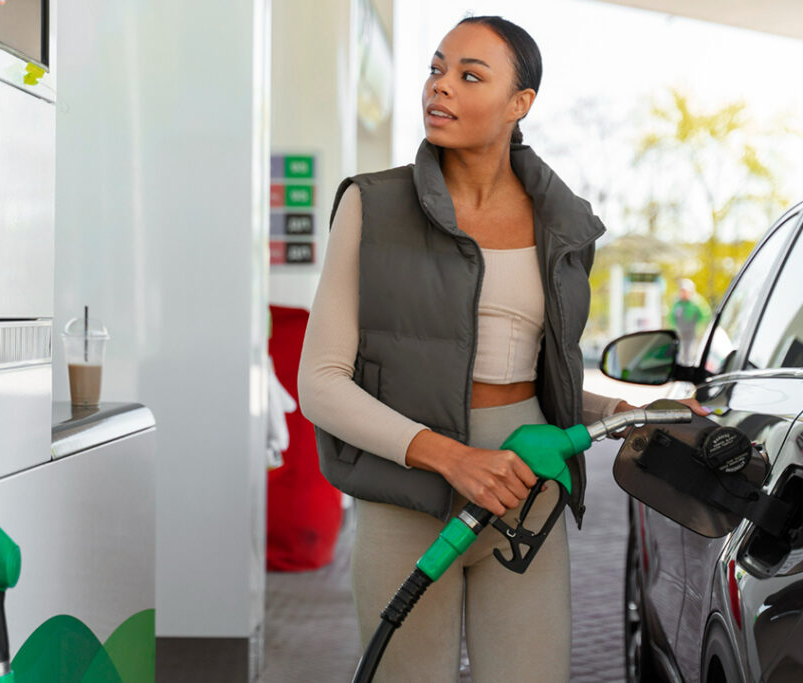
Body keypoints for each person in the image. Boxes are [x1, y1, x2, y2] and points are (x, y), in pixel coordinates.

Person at [298, 16, 705, 682]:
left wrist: (647, 413)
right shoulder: (373, 207)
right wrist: (453, 458)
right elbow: (320, 380)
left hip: (526, 487)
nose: (441, 87)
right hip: (408, 493)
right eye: (436, 69)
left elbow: (537, 373)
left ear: (521, 104)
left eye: (469, 75)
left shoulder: (564, 223)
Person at [667, 278, 710, 362]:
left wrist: (699, 327)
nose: (684, 293)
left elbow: (705, 315)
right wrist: (674, 328)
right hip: (680, 333)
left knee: (689, 354)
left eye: (686, 291)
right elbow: (671, 317)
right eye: (682, 291)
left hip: (692, 334)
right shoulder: (677, 303)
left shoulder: (696, 303)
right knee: (678, 353)